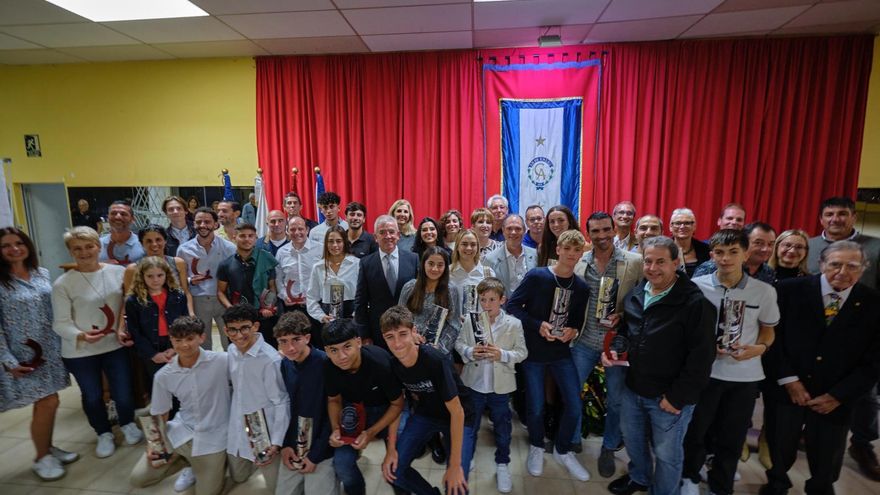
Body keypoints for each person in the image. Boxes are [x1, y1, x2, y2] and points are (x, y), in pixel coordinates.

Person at [761, 241, 880, 494]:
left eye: (852, 266)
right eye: (835, 264)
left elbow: (874, 361)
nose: (842, 271)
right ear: (821, 263)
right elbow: (772, 340)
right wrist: (789, 380)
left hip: (836, 397)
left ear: (863, 269)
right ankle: (776, 485)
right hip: (786, 390)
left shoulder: (873, 303)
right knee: (780, 448)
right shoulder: (787, 290)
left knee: (827, 457)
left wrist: (839, 395)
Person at [604, 235, 716, 495]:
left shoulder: (695, 304)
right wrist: (613, 351)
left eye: (661, 262)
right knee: (633, 441)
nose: (653, 268)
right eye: (648, 261)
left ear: (676, 263)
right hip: (633, 388)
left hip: (669, 397)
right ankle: (640, 477)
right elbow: (627, 333)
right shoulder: (636, 295)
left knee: (667, 454)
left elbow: (702, 358)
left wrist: (677, 397)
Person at [682, 229, 779, 495]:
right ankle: (689, 477)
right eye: (720, 253)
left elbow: (769, 331)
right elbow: (688, 330)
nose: (726, 259)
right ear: (711, 254)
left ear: (746, 253)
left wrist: (757, 348)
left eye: (733, 252)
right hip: (706, 373)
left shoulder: (764, 291)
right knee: (695, 431)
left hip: (744, 377)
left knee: (732, 437)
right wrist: (704, 347)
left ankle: (720, 486)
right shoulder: (697, 286)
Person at [507, 230, 591, 482]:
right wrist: (537, 324)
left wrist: (572, 331)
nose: (571, 254)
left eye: (576, 250)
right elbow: (512, 306)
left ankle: (563, 450)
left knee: (574, 405)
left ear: (581, 253)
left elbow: (576, 321)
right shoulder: (537, 276)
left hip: (560, 352)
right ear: (558, 250)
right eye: (567, 249)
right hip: (534, 352)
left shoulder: (581, 287)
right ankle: (535, 445)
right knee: (535, 407)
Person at [52, 226, 143, 459]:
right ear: (71, 252)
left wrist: (122, 328)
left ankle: (127, 423)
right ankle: (103, 432)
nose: (84, 252)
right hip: (80, 350)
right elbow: (60, 323)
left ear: (98, 247)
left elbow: (127, 303)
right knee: (92, 395)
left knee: (122, 391)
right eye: (77, 249)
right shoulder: (63, 284)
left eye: (89, 246)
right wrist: (81, 335)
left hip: (114, 344)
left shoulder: (117, 272)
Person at [0, 228, 77, 481]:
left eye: (19, 243)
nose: (14, 249)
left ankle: (48, 447)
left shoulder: (41, 273)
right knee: (47, 402)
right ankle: (41, 458)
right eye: (6, 246)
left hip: (50, 349)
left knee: (50, 401)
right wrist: (8, 361)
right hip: (23, 355)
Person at [570, 212, 643, 476]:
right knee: (572, 391)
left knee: (616, 401)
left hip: (617, 345)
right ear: (588, 233)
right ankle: (574, 435)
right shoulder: (580, 262)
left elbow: (643, 301)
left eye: (605, 230)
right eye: (595, 231)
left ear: (615, 229)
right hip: (584, 341)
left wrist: (622, 315)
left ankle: (609, 446)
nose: (601, 236)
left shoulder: (634, 262)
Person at [128, 316, 230, 495]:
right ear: (171, 340)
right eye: (178, 340)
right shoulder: (164, 375)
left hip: (214, 437)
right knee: (138, 477)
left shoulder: (222, 361)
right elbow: (160, 414)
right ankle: (188, 462)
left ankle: (202, 465)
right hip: (181, 431)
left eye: (190, 339)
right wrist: (153, 446)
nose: (184, 345)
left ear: (202, 338)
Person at [380, 305, 476, 495]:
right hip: (426, 414)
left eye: (402, 334)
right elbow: (397, 405)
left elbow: (457, 411)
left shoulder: (434, 360)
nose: (397, 343)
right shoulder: (392, 365)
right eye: (390, 337)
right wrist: (391, 449)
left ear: (414, 331)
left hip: (458, 416)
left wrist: (455, 466)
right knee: (394, 471)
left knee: (456, 484)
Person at [454, 277, 528, 493]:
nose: (487, 305)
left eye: (492, 300)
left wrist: (502, 354)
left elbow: (522, 353)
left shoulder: (514, 324)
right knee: (471, 426)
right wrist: (469, 351)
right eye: (483, 300)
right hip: (474, 385)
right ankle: (468, 457)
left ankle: (503, 462)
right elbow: (460, 343)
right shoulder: (471, 320)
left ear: (502, 300)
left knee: (503, 427)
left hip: (500, 388)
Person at [322, 319, 404, 495]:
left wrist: (373, 434)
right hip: (354, 410)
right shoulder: (329, 367)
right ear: (326, 352)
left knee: (397, 461)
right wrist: (336, 429)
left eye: (347, 347)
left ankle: (402, 489)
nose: (341, 356)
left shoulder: (380, 362)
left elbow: (398, 403)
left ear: (358, 342)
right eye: (334, 350)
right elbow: (334, 400)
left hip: (387, 409)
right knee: (342, 463)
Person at [224, 304, 289, 491]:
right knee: (239, 475)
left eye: (244, 327)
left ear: (255, 326)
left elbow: (281, 402)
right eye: (233, 330)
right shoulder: (231, 351)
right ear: (226, 331)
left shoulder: (270, 360)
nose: (238, 335)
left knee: (276, 487)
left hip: (265, 431)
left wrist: (276, 442)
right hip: (239, 424)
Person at [274, 311, 338, 495]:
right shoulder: (285, 364)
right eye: (283, 341)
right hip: (294, 446)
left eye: (296, 339)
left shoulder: (326, 364)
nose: (290, 347)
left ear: (307, 337)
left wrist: (316, 455)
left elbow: (333, 414)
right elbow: (286, 409)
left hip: (323, 447)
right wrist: (286, 445)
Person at [124, 256, 189, 394]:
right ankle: (161, 413)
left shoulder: (178, 295)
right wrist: (152, 354)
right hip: (150, 346)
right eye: (150, 276)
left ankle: (178, 412)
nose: (155, 280)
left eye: (160, 275)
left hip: (175, 343)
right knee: (157, 385)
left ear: (167, 274)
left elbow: (185, 324)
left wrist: (174, 348)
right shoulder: (133, 300)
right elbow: (134, 331)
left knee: (179, 383)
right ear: (142, 277)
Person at [176, 207, 236, 350]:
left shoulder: (229, 248)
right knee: (202, 341)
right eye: (199, 222)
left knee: (230, 339)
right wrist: (191, 280)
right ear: (194, 224)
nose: (203, 225)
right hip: (198, 300)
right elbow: (179, 279)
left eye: (207, 222)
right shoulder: (183, 250)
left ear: (216, 224)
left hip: (222, 299)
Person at [354, 215, 418, 348]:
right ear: (375, 237)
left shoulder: (413, 259)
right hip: (378, 333)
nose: (387, 236)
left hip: (408, 330)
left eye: (391, 231)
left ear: (398, 235)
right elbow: (360, 303)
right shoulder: (366, 263)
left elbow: (420, 297)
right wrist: (365, 335)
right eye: (382, 232)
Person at [216, 223, 279, 347]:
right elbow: (220, 292)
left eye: (251, 236)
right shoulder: (225, 264)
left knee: (267, 349)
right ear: (234, 237)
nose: (247, 239)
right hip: (238, 318)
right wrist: (231, 309)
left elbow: (272, 287)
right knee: (240, 350)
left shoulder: (266, 258)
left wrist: (268, 306)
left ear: (256, 238)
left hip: (263, 315)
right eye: (242, 236)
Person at [399, 247, 462, 356]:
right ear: (423, 264)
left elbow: (454, 325)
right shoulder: (409, 287)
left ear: (445, 267)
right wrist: (410, 335)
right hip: (411, 347)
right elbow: (399, 317)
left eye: (440, 265)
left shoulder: (451, 290)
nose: (435, 269)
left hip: (439, 353)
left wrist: (440, 348)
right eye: (431, 264)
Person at [124, 224, 193, 315]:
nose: (154, 244)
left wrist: (191, 313)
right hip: (147, 317)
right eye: (149, 241)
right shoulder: (132, 269)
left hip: (176, 315)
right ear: (142, 244)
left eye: (158, 240)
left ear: (165, 241)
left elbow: (185, 292)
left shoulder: (178, 263)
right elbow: (129, 298)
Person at [306, 227, 360, 345]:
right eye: (330, 241)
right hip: (329, 318)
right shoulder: (318, 267)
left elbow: (364, 295)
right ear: (325, 243)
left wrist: (357, 314)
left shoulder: (356, 264)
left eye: (338, 241)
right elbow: (311, 297)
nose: (335, 245)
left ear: (345, 242)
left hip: (352, 316)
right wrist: (321, 316)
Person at [693, 222, 777, 284]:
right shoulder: (711, 268)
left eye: (770, 244)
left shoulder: (768, 272)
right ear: (744, 243)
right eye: (758, 243)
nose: (765, 249)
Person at [483, 215, 538, 299]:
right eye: (509, 228)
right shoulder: (490, 259)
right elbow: (487, 292)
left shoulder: (536, 255)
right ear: (503, 231)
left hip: (530, 310)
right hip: (503, 310)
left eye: (518, 229)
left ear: (524, 231)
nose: (513, 232)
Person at [275, 216, 320, 316]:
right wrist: (284, 296)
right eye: (292, 229)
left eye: (300, 229)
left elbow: (326, 277)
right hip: (291, 307)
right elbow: (278, 279)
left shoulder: (320, 250)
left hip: (316, 306)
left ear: (307, 230)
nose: (296, 232)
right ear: (287, 231)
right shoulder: (281, 252)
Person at [449, 229, 495, 314]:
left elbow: (493, 305)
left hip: (481, 325)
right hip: (453, 325)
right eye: (464, 244)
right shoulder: (447, 273)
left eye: (473, 245)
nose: (469, 248)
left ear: (478, 248)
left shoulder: (488, 273)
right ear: (457, 247)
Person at [99, 199, 145, 266]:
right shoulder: (96, 244)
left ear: (133, 219)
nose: (118, 217)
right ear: (108, 217)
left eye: (123, 214)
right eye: (113, 213)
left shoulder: (143, 244)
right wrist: (101, 266)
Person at [668, 207, 710, 277]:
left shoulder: (706, 249)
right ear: (670, 227)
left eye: (687, 223)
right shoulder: (663, 249)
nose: (682, 227)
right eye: (678, 223)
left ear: (694, 226)